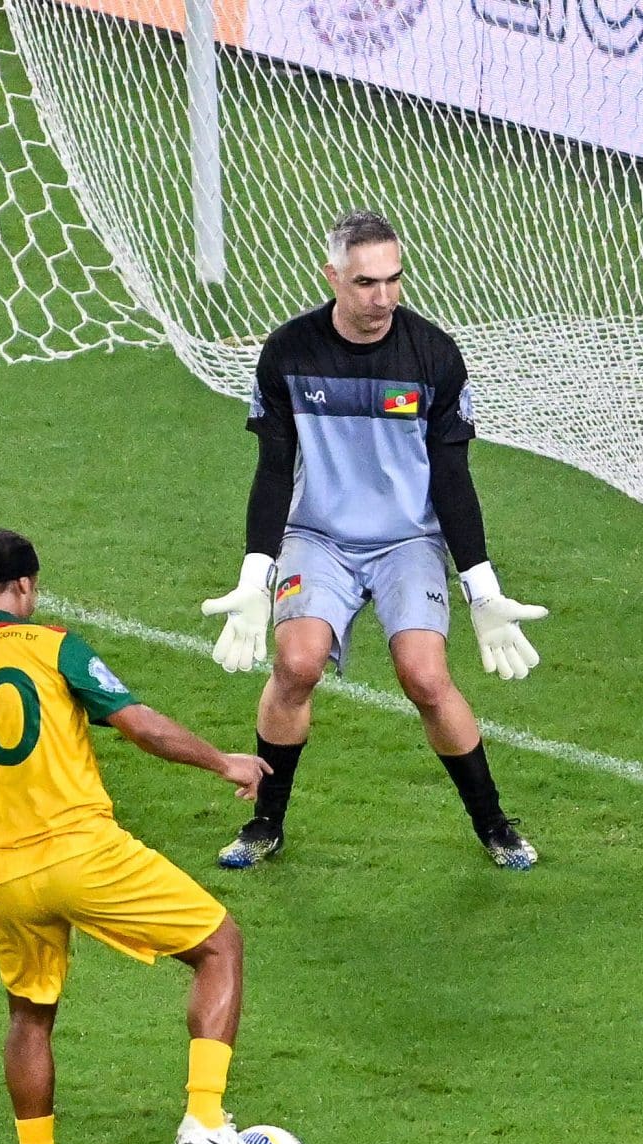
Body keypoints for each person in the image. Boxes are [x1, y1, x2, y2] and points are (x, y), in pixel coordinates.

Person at [0, 530, 271, 1144]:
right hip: (83, 852)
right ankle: (205, 1113)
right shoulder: (51, 644)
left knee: (29, 1017)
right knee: (220, 945)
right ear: (25, 587)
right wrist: (224, 761)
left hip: (1, 876)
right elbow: (142, 727)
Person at [201, 210, 546, 871]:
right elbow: (274, 469)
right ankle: (264, 824)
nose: (382, 297)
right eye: (365, 282)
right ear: (331, 276)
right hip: (318, 536)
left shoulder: (434, 355)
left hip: (405, 542)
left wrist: (482, 587)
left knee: (425, 676)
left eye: (393, 279)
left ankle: (495, 824)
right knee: (296, 664)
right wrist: (256, 577)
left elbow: (451, 477)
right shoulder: (289, 352)